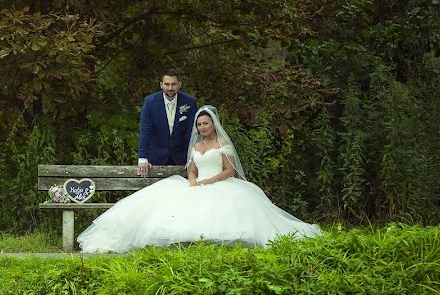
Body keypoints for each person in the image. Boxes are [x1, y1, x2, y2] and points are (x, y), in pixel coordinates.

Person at [76, 105, 321, 253]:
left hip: (220, 184)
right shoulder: (197, 144)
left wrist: (208, 182)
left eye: (206, 123)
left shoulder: (222, 143)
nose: (203, 127)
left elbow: (229, 170)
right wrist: (193, 180)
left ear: (213, 124)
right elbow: (191, 169)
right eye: (199, 124)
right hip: (197, 183)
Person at [137, 69, 198, 177]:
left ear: (179, 84)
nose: (170, 88)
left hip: (181, 159)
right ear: (161, 85)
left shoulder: (190, 102)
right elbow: (145, 131)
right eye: (167, 84)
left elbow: (192, 133)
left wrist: (191, 156)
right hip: (156, 158)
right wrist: (142, 158)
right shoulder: (150, 102)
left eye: (173, 84)